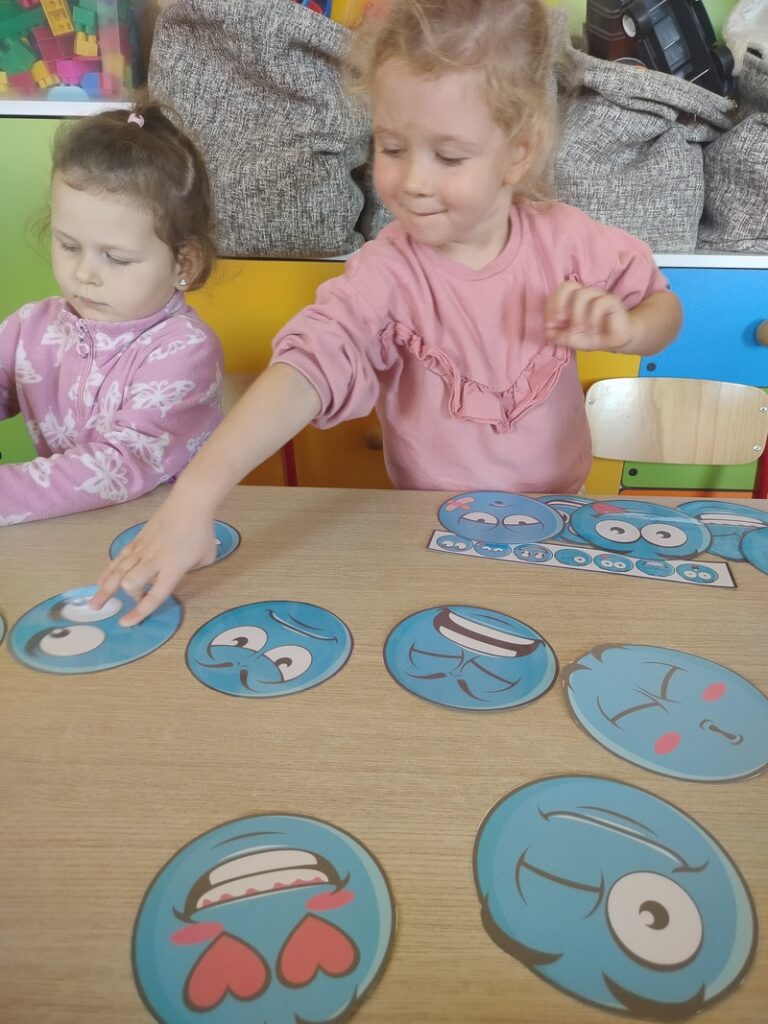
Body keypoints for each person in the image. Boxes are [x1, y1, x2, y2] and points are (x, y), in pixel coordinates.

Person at [94, 0, 682, 626]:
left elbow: (663, 307)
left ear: (517, 153)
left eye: (449, 156)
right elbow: (307, 369)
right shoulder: (387, 272)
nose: (414, 181)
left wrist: (631, 329)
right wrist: (193, 498)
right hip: (429, 525)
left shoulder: (569, 242)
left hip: (559, 514)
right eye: (392, 146)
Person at [0, 102, 224, 526]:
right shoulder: (31, 327)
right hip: (76, 532)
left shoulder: (186, 351)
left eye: (117, 259)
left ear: (184, 263)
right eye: (69, 246)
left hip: (166, 534)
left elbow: (121, 463)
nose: (84, 273)